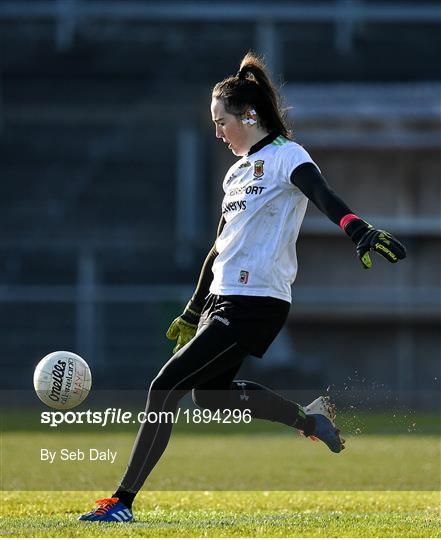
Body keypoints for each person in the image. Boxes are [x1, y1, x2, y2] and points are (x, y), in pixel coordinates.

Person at [79, 52, 406, 522]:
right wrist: (194, 310)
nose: (218, 132)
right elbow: (220, 246)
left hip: (257, 302)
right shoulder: (236, 173)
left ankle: (122, 502)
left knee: (163, 386)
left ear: (249, 116)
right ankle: (308, 420)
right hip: (222, 300)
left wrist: (358, 229)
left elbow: (323, 196)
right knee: (209, 396)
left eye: (222, 121)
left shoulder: (286, 156)